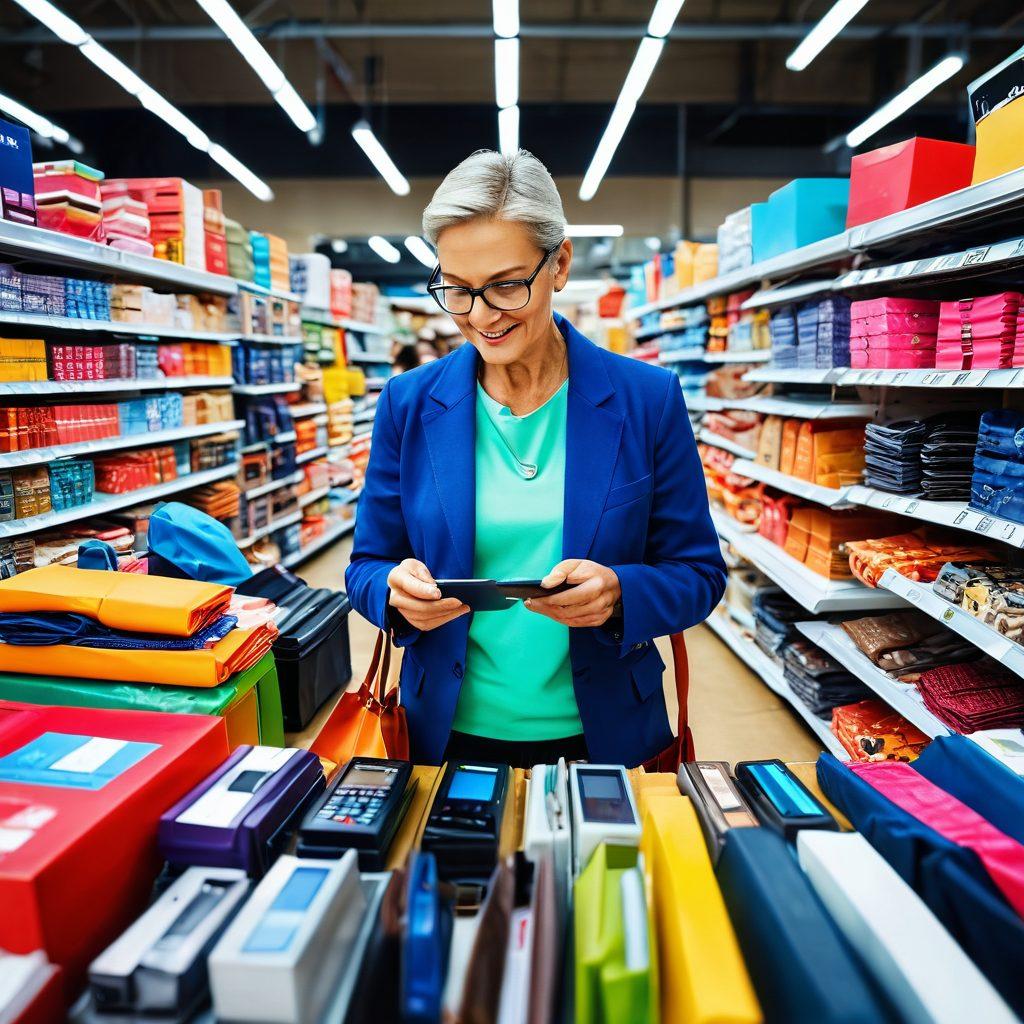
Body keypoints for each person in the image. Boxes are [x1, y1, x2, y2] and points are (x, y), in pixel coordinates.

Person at [345, 149, 726, 769]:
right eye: (458, 290)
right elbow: (365, 564)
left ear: (561, 264)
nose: (480, 315)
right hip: (442, 732)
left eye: (505, 285)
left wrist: (621, 593)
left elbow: (699, 573)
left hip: (606, 737)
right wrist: (391, 593)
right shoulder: (409, 403)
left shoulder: (645, 401)